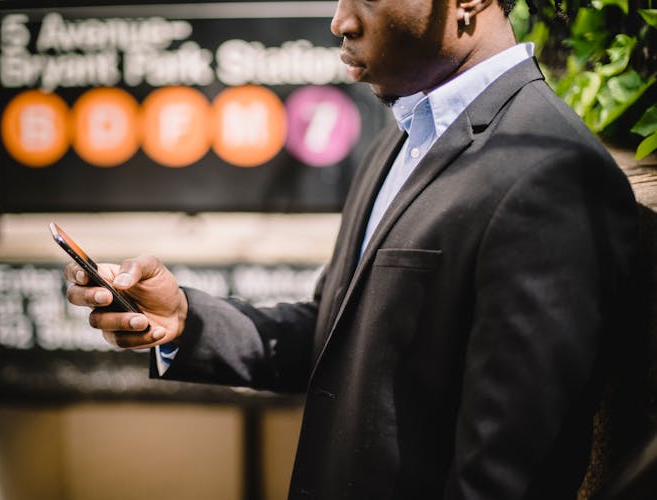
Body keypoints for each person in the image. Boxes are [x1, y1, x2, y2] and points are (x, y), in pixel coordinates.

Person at [65, 0, 639, 497]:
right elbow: (338, 335)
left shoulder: (555, 177)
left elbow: (508, 475)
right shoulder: (405, 132)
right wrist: (186, 320)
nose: (339, 20)